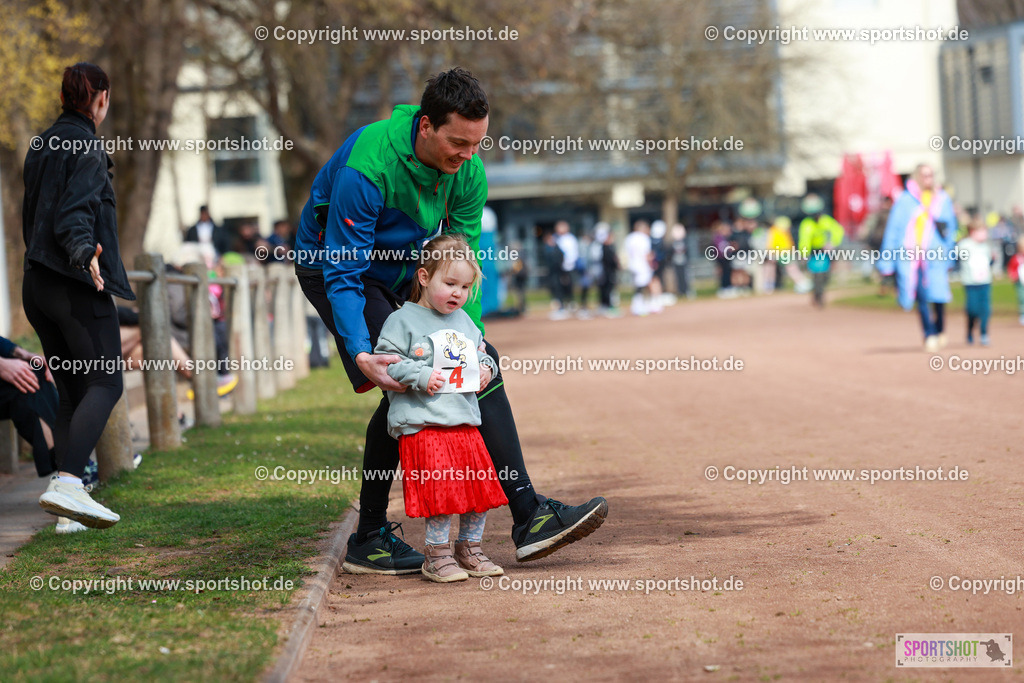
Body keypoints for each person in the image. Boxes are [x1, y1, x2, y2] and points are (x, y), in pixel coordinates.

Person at [292, 67, 607, 574]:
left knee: (473, 368)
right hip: (335, 267)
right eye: (457, 143)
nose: (466, 156)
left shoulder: (469, 171)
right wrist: (361, 352)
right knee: (402, 376)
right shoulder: (367, 166)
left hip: (403, 269)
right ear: (425, 126)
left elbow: (464, 265)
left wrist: (474, 341)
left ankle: (525, 517)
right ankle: (374, 536)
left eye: (477, 144)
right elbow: (344, 273)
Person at [22, 62, 133, 529]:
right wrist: (85, 253)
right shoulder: (87, 146)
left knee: (70, 392)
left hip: (37, 284)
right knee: (107, 382)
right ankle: (69, 481)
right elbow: (73, 214)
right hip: (72, 282)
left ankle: (68, 507)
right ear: (100, 98)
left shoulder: (41, 143)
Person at [374, 235, 507, 582]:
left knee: (477, 491)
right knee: (442, 493)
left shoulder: (464, 321)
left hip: (463, 420)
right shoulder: (401, 321)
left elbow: (479, 352)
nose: (457, 293)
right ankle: (436, 554)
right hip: (424, 422)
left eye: (464, 286)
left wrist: (487, 368)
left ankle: (470, 547)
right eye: (449, 283)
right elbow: (387, 363)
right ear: (423, 277)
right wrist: (420, 375)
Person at [878, 164, 958, 351]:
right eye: (924, 175)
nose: (928, 178)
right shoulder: (905, 201)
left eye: (931, 175)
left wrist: (950, 255)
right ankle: (928, 333)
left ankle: (939, 329)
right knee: (920, 295)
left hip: (936, 255)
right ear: (918, 177)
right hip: (912, 256)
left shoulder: (942, 199)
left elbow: (950, 229)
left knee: (938, 295)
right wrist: (887, 260)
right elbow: (894, 230)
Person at [798, 194, 844, 308]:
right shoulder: (806, 224)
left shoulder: (826, 221)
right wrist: (804, 254)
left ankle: (819, 292)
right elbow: (804, 240)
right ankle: (818, 295)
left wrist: (832, 243)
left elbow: (838, 231)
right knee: (817, 275)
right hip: (814, 252)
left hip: (826, 252)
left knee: (826, 276)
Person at [958, 216, 994, 345]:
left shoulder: (986, 246)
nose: (985, 234)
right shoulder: (964, 245)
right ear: (973, 231)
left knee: (985, 309)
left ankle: (984, 333)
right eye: (982, 231)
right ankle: (970, 330)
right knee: (972, 309)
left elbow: (989, 262)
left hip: (985, 282)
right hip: (970, 283)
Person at [624, 220, 654, 315]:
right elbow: (647, 254)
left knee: (637, 286)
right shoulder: (643, 238)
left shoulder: (629, 238)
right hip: (642, 265)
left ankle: (638, 304)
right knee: (642, 286)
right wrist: (651, 263)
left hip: (632, 265)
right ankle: (640, 305)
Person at [554, 220, 579, 315]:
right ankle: (562, 305)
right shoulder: (557, 239)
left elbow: (573, 254)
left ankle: (571, 303)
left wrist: (568, 263)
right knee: (560, 286)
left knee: (570, 285)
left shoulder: (570, 239)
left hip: (569, 266)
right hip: (560, 267)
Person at [595, 223, 620, 315]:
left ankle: (606, 305)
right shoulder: (604, 248)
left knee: (608, 289)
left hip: (607, 272)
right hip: (606, 272)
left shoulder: (608, 247)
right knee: (607, 289)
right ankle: (608, 306)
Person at [669, 223, 692, 299]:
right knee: (678, 278)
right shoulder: (673, 243)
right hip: (676, 262)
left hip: (684, 262)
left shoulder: (685, 241)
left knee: (685, 277)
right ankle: (680, 291)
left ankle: (687, 291)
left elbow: (687, 252)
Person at [1007, 236, 1024, 325]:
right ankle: (1022, 314)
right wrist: (1013, 276)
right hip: (1020, 283)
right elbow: (1011, 268)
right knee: (1022, 298)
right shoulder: (1017, 258)